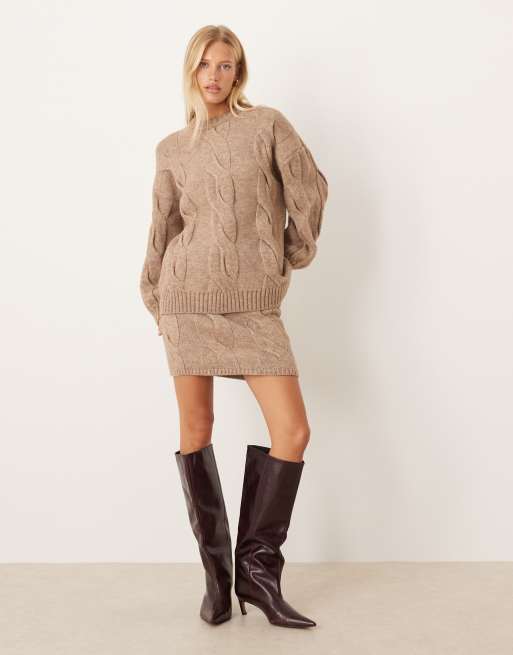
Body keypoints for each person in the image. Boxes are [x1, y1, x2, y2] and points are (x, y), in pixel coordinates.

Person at [139, 24, 328, 629]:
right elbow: (163, 229)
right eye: (204, 65)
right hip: (187, 300)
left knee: (292, 431)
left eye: (224, 65)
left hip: (252, 306)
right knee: (197, 427)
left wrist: (287, 256)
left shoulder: (267, 125)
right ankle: (217, 580)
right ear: (190, 72)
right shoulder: (171, 149)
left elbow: (311, 189)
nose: (214, 76)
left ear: (238, 72)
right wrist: (156, 296)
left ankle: (257, 572)